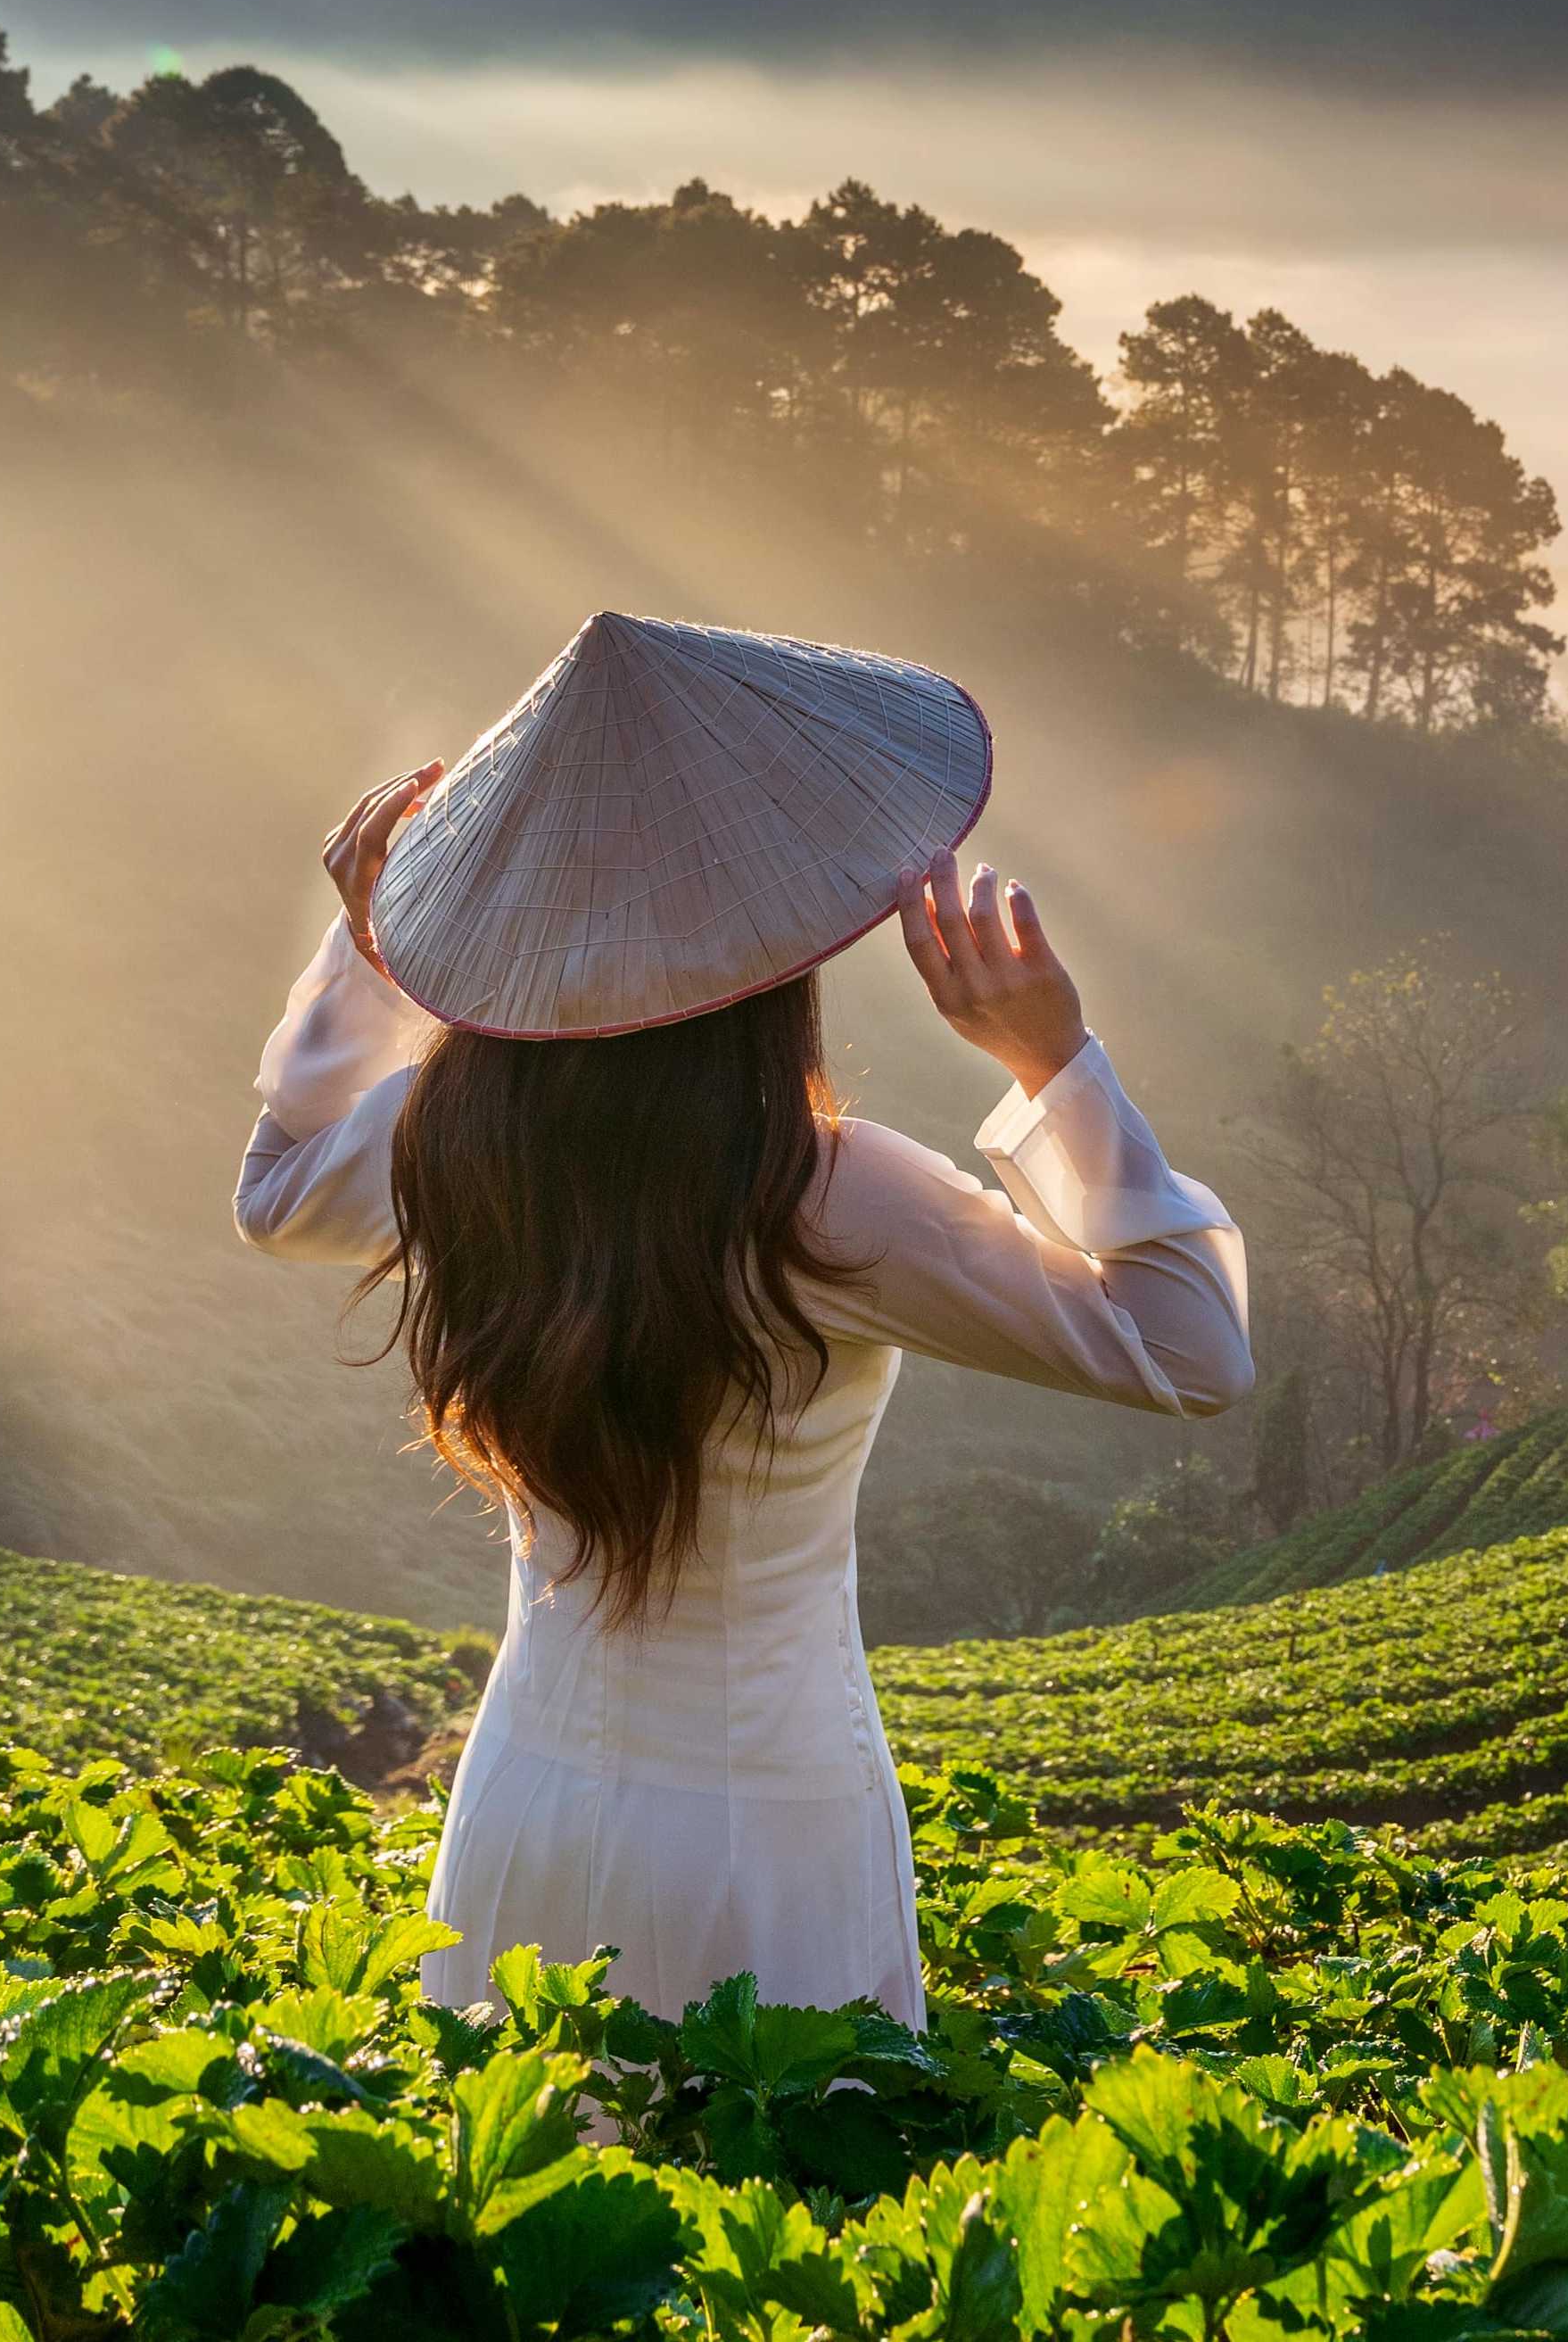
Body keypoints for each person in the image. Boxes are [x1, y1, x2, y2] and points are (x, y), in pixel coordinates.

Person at [232, 612, 1249, 2023]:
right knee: (771, 2212)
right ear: (777, 937)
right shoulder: (823, 1196)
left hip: (524, 1800)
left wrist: (369, 956)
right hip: (765, 1829)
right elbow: (1190, 1349)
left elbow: (277, 1189)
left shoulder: (458, 1136)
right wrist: (1053, 1063)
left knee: (534, 2198)